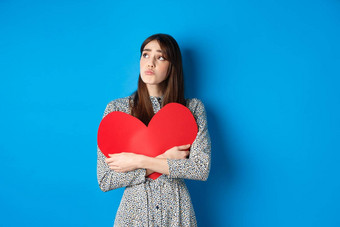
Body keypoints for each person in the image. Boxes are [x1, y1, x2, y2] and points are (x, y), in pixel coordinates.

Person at [97, 33, 211, 226]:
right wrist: (165, 160)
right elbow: (106, 179)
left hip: (176, 214)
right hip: (133, 217)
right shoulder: (117, 110)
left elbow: (201, 168)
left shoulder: (192, 109)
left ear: (172, 66)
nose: (150, 63)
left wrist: (137, 161)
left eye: (160, 57)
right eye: (145, 55)